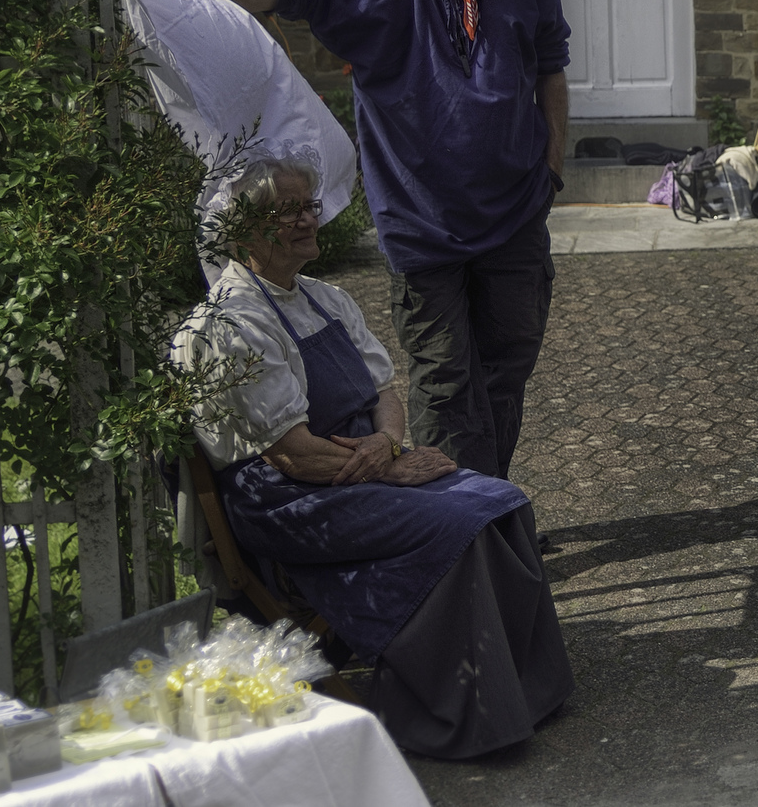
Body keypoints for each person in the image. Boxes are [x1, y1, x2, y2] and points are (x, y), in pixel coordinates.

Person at [141, 0, 568, 481]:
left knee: (506, 374)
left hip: (515, 215)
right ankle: (461, 529)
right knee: (446, 386)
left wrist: (553, 163)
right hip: (424, 227)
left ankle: (489, 508)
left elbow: (551, 66)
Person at [172, 158, 573, 757]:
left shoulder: (324, 298)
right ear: (244, 230)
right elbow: (291, 453)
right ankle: (456, 714)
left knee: (499, 499)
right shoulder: (228, 323)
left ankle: (524, 691)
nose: (310, 220)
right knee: (458, 524)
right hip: (290, 499)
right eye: (291, 211)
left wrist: (386, 443)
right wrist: (388, 464)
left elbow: (385, 392)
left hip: (355, 466)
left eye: (311, 205)